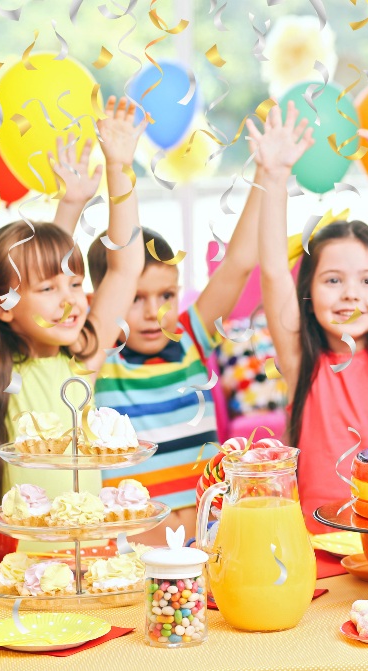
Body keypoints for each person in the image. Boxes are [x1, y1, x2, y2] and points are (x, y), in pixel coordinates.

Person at [0, 97, 146, 521]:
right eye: (50, 288)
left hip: (85, 567)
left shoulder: (82, 358)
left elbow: (124, 268)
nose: (71, 300)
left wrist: (119, 169)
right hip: (12, 573)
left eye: (75, 283)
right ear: (3, 306)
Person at [251, 91, 368, 532]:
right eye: (333, 280)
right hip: (316, 544)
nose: (351, 295)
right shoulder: (300, 361)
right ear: (306, 292)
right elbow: (272, 271)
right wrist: (273, 176)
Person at [87, 168, 263, 541]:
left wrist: (266, 172)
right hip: (133, 551)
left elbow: (239, 264)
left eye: (166, 295)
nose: (154, 312)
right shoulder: (98, 361)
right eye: (135, 298)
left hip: (212, 538)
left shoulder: (191, 339)